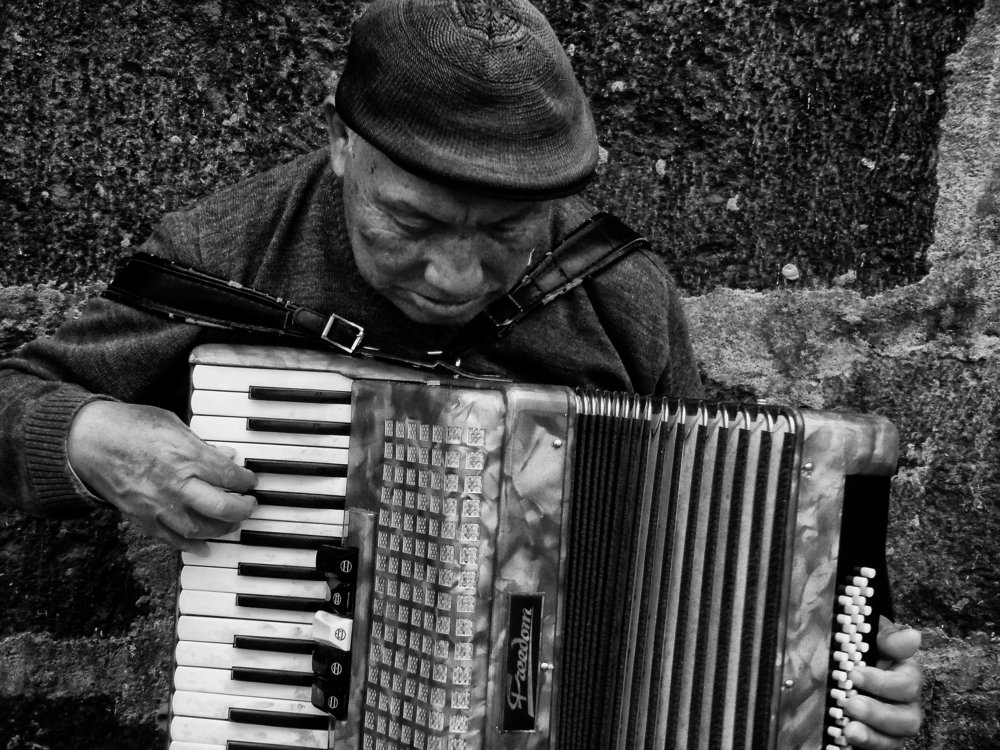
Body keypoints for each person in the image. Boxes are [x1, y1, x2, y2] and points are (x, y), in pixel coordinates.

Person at [0, 0, 921, 746]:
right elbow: (17, 398)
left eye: (506, 235)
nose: (455, 277)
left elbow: (721, 542)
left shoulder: (620, 294)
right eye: (411, 223)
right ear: (342, 143)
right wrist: (84, 438)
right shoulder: (226, 256)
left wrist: (839, 692)